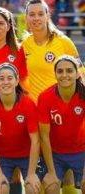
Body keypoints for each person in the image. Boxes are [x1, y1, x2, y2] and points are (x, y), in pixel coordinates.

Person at [23, 1, 81, 193]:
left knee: (67, 172)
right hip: (36, 114)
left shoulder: (63, 42)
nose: (36, 18)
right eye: (32, 14)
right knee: (44, 173)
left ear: (48, 16)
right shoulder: (24, 45)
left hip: (63, 111)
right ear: (27, 19)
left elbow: (79, 73)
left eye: (41, 14)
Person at [0, 63, 41, 194]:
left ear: (17, 80)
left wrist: (31, 174)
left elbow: (35, 141)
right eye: (1, 78)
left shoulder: (28, 103)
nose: (5, 82)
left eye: (9, 78)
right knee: (0, 188)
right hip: (2, 156)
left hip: (26, 156)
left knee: (32, 187)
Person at [37, 55, 85, 194]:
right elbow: (44, 137)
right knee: (50, 186)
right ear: (55, 74)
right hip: (55, 153)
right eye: (60, 71)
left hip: (81, 152)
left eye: (69, 71)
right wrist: (51, 172)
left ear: (77, 74)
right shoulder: (45, 97)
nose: (64, 75)